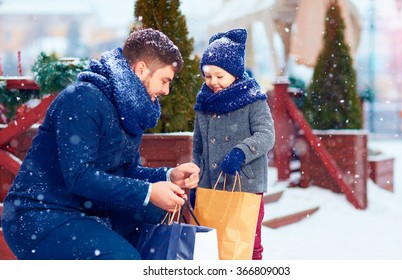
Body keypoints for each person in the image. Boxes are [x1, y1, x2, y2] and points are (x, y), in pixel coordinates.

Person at [1, 28, 200, 260]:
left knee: (152, 217)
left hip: (86, 208)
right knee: (122, 260)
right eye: (164, 80)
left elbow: (127, 171)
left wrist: (168, 176)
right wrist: (148, 191)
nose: (166, 90)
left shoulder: (130, 108)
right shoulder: (83, 99)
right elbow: (79, 177)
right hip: (40, 214)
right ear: (141, 69)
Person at [191, 28, 275, 260]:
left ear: (235, 73)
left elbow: (267, 135)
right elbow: (198, 147)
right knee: (212, 247)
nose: (213, 82)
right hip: (210, 183)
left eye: (219, 76)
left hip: (245, 185)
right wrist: (194, 183)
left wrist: (241, 152)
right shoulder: (204, 103)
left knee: (247, 244)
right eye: (207, 76)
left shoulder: (253, 99)